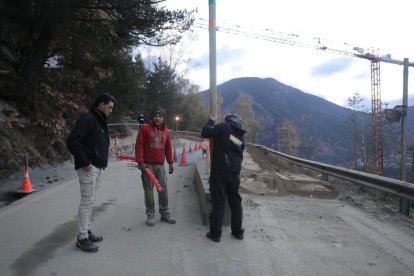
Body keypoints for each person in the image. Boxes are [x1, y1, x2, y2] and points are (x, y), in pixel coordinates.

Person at [67, 93, 116, 253]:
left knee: (91, 201)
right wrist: (85, 162)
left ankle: (86, 231)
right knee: (87, 202)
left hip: (97, 167)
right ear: (101, 105)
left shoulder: (99, 120)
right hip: (88, 168)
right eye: (109, 107)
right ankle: (82, 239)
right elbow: (72, 140)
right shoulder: (89, 119)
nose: (111, 110)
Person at [201, 114, 247, 242]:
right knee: (236, 202)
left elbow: (205, 132)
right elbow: (240, 146)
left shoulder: (223, 127)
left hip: (220, 171)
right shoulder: (240, 135)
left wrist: (210, 121)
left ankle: (215, 234)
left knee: (219, 202)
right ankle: (238, 232)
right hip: (235, 172)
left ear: (228, 120)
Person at [135, 106, 176, 226]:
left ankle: (165, 213)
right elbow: (139, 145)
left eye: (160, 116)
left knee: (163, 190)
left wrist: (170, 162)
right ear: (153, 117)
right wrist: (140, 162)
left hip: (160, 166)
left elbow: (168, 147)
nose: (157, 118)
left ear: (163, 118)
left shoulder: (166, 131)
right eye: (156, 116)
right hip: (147, 165)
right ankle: (151, 215)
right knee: (148, 191)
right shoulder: (145, 129)